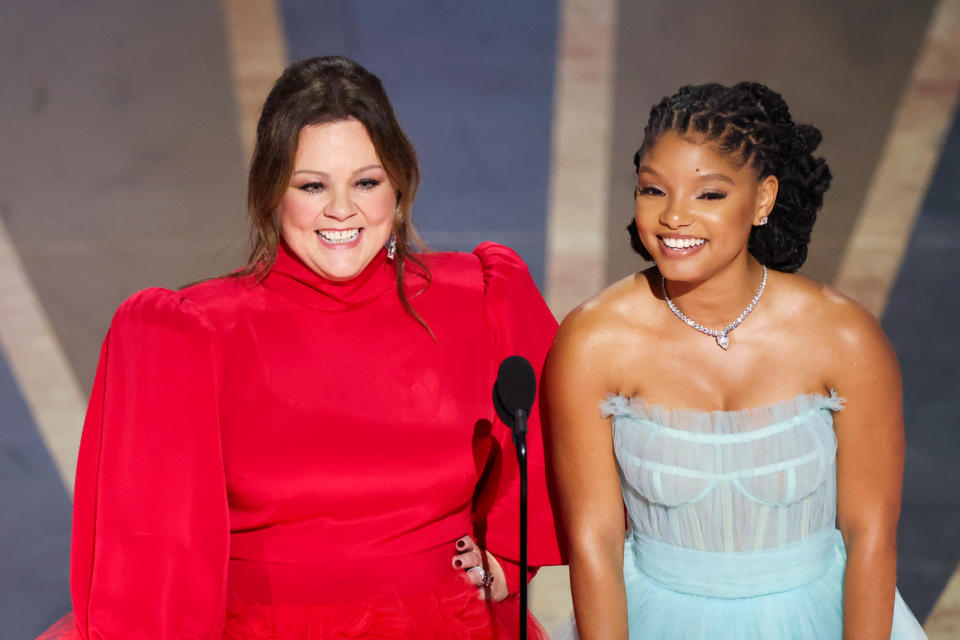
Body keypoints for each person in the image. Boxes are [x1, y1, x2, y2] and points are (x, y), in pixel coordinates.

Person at [37, 55, 560, 639]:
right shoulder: (190, 335)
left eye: (366, 181)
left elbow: (551, 443)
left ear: (400, 183)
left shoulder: (480, 297)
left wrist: (510, 561)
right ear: (270, 193)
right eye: (313, 186)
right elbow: (153, 551)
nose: (342, 210)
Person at [545, 82, 928, 639]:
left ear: (764, 199)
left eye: (710, 195)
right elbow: (593, 541)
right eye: (653, 191)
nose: (674, 217)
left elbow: (870, 533)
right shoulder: (593, 341)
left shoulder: (844, 338)